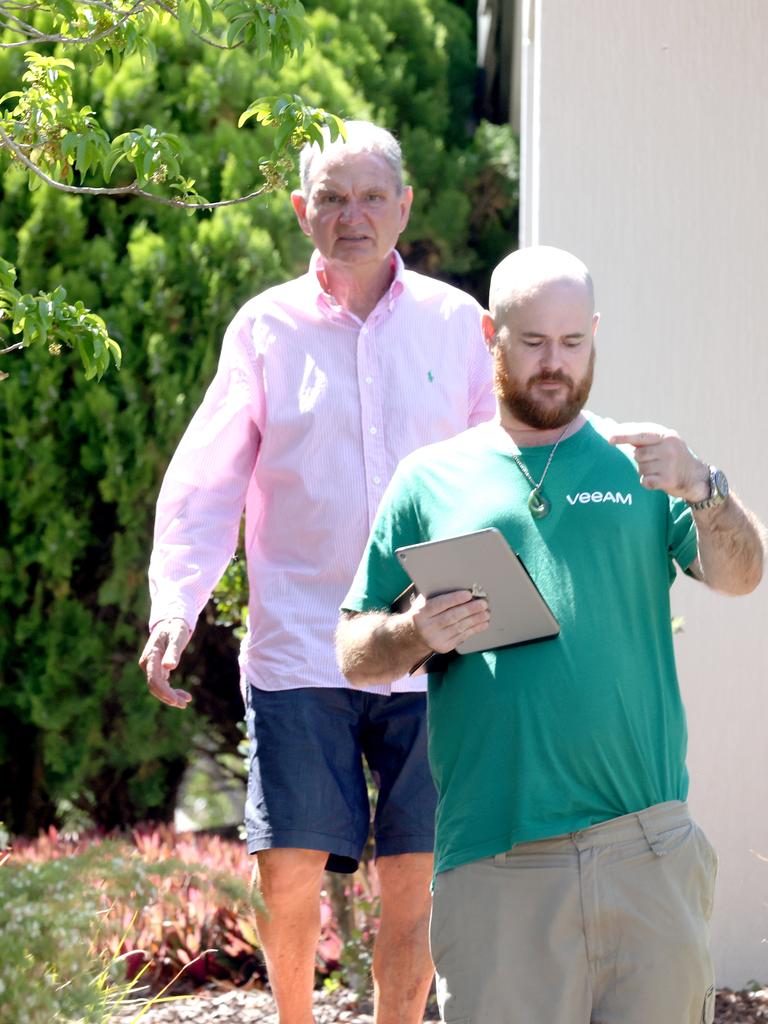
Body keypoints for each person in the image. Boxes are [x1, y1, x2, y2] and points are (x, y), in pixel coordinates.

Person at [336, 245, 765, 1024]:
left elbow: (742, 575)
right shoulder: (430, 480)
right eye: (532, 343)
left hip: (647, 850)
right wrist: (414, 631)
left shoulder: (645, 465)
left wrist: (706, 488)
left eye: (573, 343)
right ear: (488, 337)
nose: (554, 365)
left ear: (594, 334)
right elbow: (353, 649)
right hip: (496, 864)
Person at [138, 120, 495, 1024]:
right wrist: (175, 605)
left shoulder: (460, 326)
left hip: (434, 644)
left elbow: (510, 472)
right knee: (287, 864)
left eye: (372, 195)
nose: (353, 215)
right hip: (302, 645)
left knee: (415, 875)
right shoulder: (266, 328)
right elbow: (208, 479)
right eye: (332, 198)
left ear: (404, 207)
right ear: (302, 212)